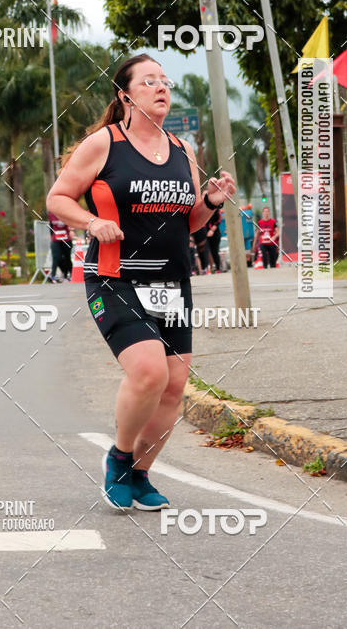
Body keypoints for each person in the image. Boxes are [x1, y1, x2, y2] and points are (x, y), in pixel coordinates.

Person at [46, 53, 235, 511]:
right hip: (115, 277)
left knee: (173, 385)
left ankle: (141, 475)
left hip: (171, 280)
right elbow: (57, 198)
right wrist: (91, 222)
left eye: (164, 81)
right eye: (149, 81)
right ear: (125, 94)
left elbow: (188, 223)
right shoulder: (103, 144)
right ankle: (119, 456)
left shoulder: (182, 149)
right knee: (149, 371)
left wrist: (211, 200)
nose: (161, 87)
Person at [47, 210, 71, 282]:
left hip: (66, 239)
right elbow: (50, 227)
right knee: (56, 257)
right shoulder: (51, 214)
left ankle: (69, 274)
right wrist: (53, 237)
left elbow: (71, 225)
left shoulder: (66, 213)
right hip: (56, 239)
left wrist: (71, 231)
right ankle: (53, 275)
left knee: (67, 257)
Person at [205, 208, 222, 272]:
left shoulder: (216, 209)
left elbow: (219, 219)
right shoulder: (204, 209)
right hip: (205, 232)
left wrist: (212, 230)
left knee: (214, 251)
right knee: (206, 251)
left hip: (215, 233)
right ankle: (208, 268)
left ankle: (218, 268)